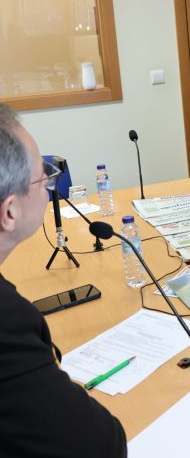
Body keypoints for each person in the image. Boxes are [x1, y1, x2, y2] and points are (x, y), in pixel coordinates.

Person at [0, 103, 127, 457]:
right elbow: (102, 445)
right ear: (9, 211)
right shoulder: (7, 324)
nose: (49, 189)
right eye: (43, 178)